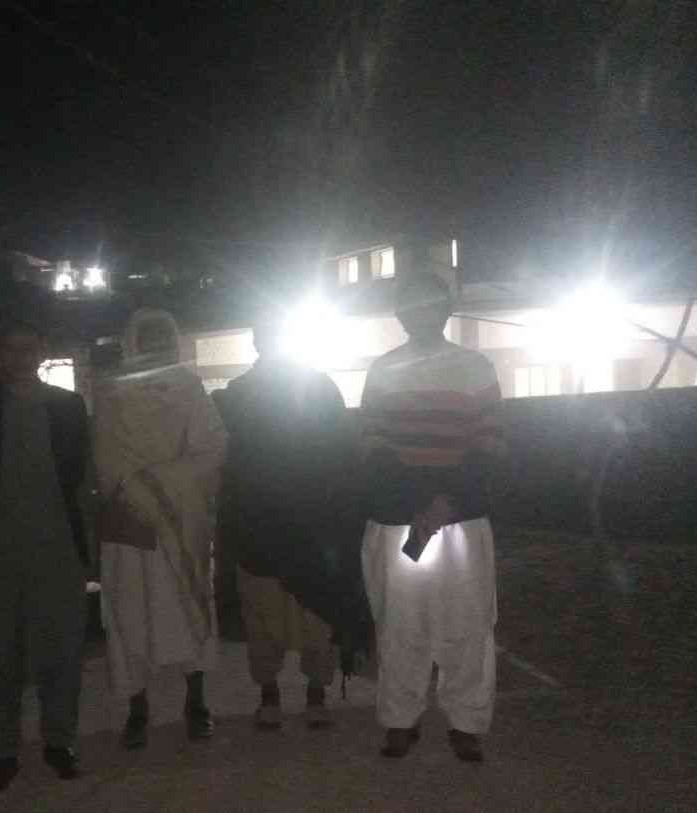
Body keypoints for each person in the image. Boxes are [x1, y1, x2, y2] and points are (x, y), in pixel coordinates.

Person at [360, 270, 506, 763]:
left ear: (445, 309)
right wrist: (420, 502)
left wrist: (446, 502)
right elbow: (373, 446)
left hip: (460, 521)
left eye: (428, 304)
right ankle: (400, 719)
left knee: (468, 623)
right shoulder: (383, 370)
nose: (418, 313)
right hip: (399, 521)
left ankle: (467, 722)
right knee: (400, 624)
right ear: (399, 313)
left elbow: (490, 445)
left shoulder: (475, 368)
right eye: (410, 305)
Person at [0, 317, 91, 791]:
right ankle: (0, 751)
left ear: (42, 351)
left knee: (61, 651)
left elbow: (80, 475)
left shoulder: (69, 407)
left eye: (28, 348)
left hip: (57, 544)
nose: (20, 357)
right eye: (11, 348)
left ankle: (60, 741)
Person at [93, 308, 226, 750]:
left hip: (182, 523)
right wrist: (146, 492)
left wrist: (159, 485)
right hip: (130, 522)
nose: (155, 345)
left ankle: (197, 702)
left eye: (162, 337)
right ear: (132, 341)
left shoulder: (189, 386)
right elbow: (106, 461)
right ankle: (138, 708)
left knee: (191, 606)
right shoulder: (111, 391)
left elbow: (212, 448)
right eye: (146, 338)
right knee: (130, 612)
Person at [217, 316, 349, 730]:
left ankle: (301, 695)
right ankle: (284, 695)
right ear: (258, 343)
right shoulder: (236, 395)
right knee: (273, 616)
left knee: (305, 615)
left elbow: (340, 457)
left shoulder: (316, 388)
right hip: (275, 527)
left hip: (296, 525)